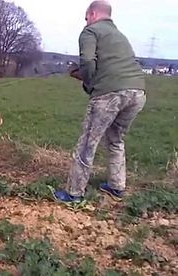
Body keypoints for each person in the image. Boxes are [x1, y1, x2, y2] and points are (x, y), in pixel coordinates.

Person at [54, 0, 147, 203]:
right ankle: (117, 186)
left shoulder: (90, 31)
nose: (85, 21)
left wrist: (87, 83)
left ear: (93, 14)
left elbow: (87, 62)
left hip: (110, 94)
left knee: (87, 143)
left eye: (86, 16)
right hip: (138, 92)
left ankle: (74, 193)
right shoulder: (119, 35)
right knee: (116, 139)